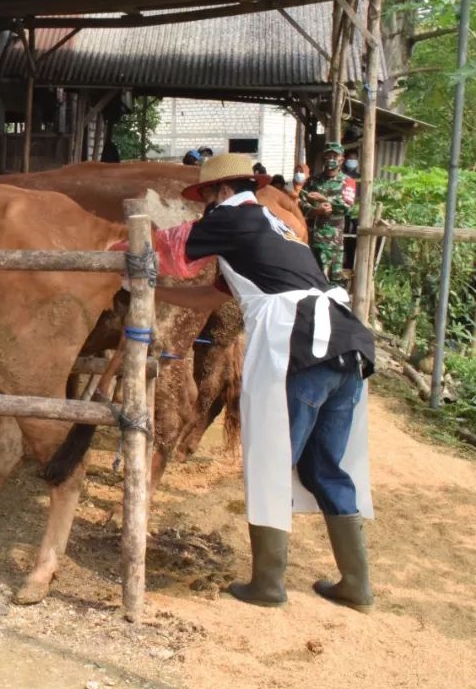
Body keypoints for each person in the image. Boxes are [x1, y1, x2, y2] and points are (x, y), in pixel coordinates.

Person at [145, 153, 375, 613]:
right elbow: (215, 295)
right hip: (346, 346)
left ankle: (268, 584)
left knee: (271, 459)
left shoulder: (231, 218)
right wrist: (150, 291)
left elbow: (166, 249)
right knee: (324, 467)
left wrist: (114, 255)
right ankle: (357, 587)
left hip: (302, 344)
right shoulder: (273, 227)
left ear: (221, 192)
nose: (203, 209)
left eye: (206, 198)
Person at [298, 142, 356, 285]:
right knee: (312, 278)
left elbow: (347, 207)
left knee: (334, 281)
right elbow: (302, 205)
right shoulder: (313, 181)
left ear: (341, 159)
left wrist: (324, 199)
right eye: (328, 156)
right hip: (311, 237)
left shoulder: (348, 181)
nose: (331, 159)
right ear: (323, 158)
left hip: (333, 241)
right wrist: (318, 211)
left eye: (334, 156)